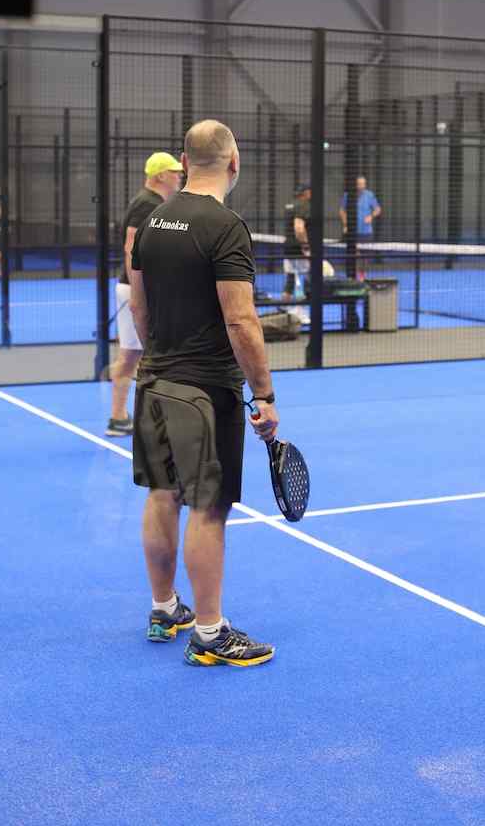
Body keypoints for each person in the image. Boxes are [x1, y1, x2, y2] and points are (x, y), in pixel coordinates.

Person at [129, 119, 279, 668]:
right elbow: (241, 321)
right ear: (234, 163)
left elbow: (138, 305)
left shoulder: (152, 221)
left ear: (185, 162)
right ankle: (211, 633)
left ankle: (164, 608)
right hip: (205, 391)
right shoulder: (225, 226)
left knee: (161, 493)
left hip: (154, 379)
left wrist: (161, 355)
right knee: (209, 508)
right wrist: (264, 393)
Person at [106, 152, 183, 437]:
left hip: (136, 289)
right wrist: (139, 293)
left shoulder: (153, 203)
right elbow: (131, 248)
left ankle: (121, 417)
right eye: (174, 171)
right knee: (145, 355)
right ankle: (131, 418)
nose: (179, 175)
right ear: (161, 175)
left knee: (134, 354)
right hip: (137, 290)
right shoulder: (147, 204)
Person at [339, 175, 382, 280]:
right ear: (355, 185)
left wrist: (371, 216)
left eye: (363, 184)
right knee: (354, 254)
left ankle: (362, 276)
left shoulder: (369, 195)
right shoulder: (348, 195)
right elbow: (342, 211)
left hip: (366, 232)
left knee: (365, 256)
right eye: (359, 184)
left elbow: (377, 209)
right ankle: (353, 276)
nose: (362, 186)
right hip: (353, 232)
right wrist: (346, 224)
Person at [282, 183, 311, 305]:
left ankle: (284, 307)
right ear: (306, 193)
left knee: (290, 278)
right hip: (299, 248)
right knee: (308, 275)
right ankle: (306, 308)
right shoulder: (303, 205)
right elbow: (299, 228)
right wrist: (305, 245)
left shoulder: (289, 205)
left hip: (288, 247)